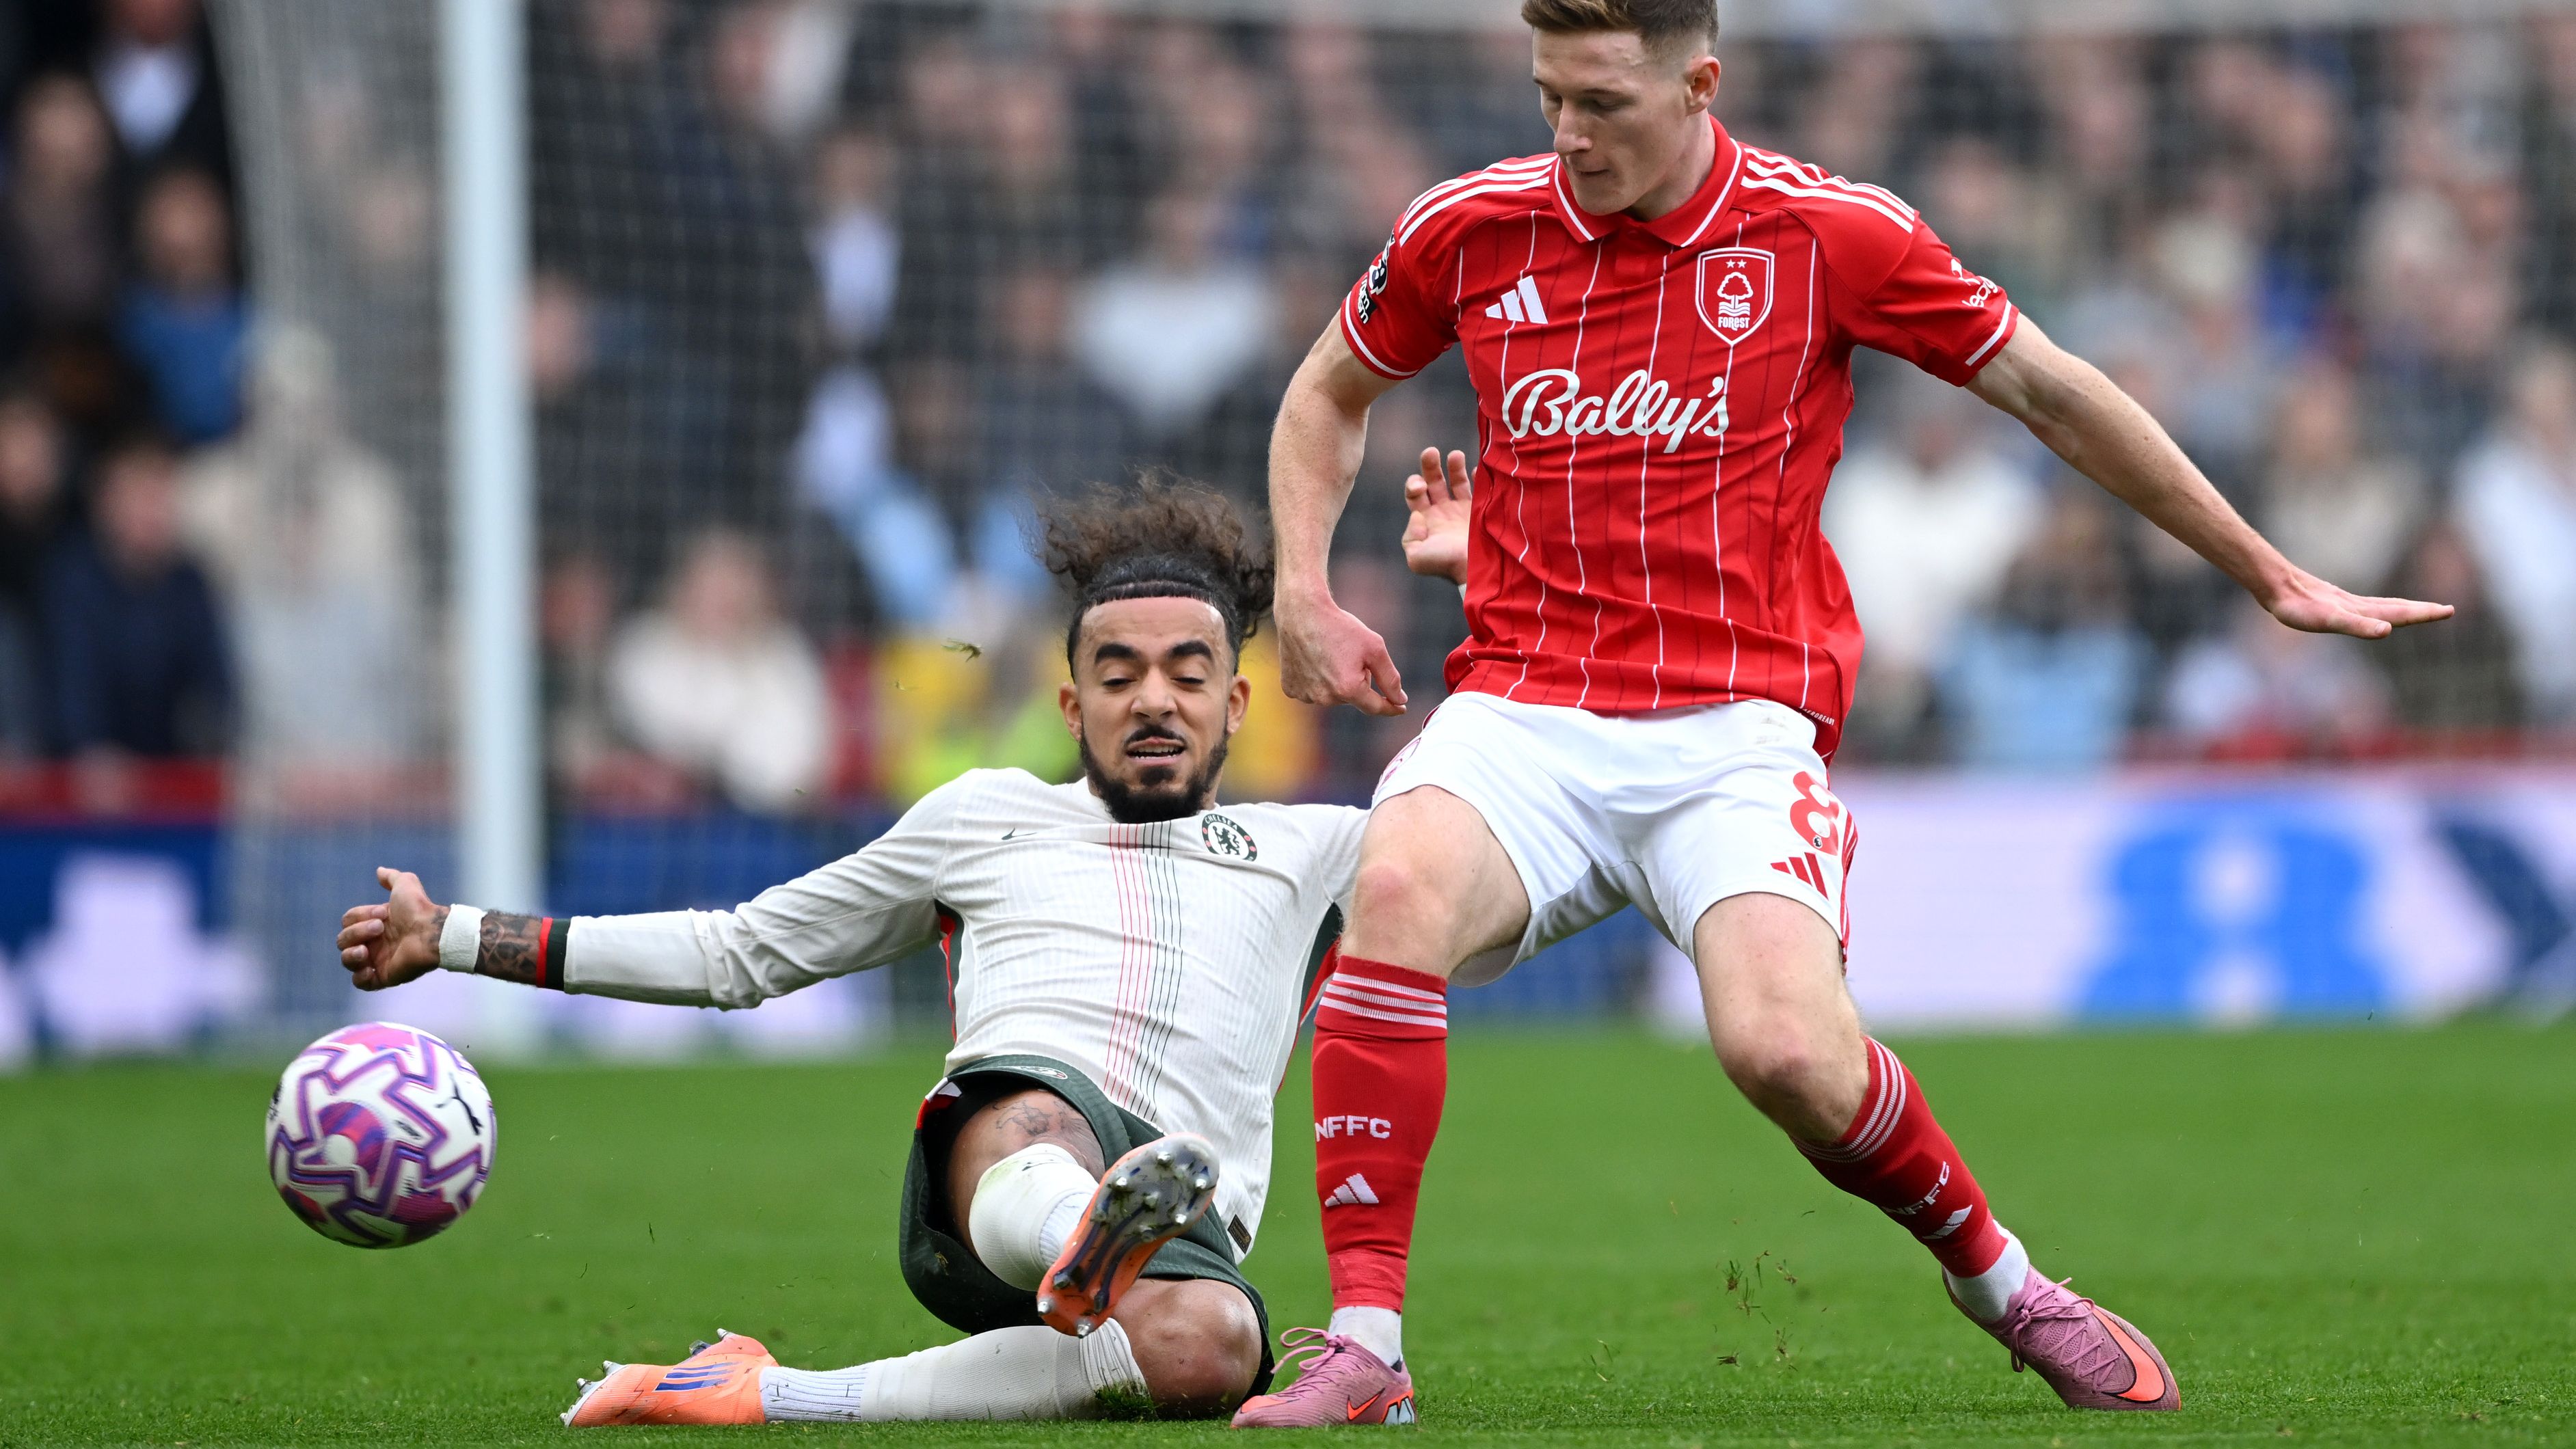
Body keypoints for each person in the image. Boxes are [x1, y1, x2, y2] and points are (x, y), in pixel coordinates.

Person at [1252, 0, 2451, 1426]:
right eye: (1548, 98)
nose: (1568, 137)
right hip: (1528, 706)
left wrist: (2263, 571)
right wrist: (1307, 590)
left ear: (1704, 81)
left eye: (1602, 104)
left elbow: (2055, 394)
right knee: (1392, 888)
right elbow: (1328, 391)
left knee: (1786, 1053)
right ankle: (1368, 1342)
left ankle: (2006, 1284)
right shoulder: (1472, 226)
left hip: (1738, 727)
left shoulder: (1833, 234)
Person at [334, 478, 1463, 1425]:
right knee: (1038, 1117)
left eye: (1186, 674)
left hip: (1187, 1230)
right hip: (1001, 1166)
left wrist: (1488, 607)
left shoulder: (1322, 851)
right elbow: (743, 951)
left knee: (1215, 1351)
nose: (1152, 701)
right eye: (1118, 676)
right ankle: (1084, 1225)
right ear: (1072, 704)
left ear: (1238, 702)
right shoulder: (980, 814)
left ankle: (770, 1395)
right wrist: (457, 938)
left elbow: (1511, 845)